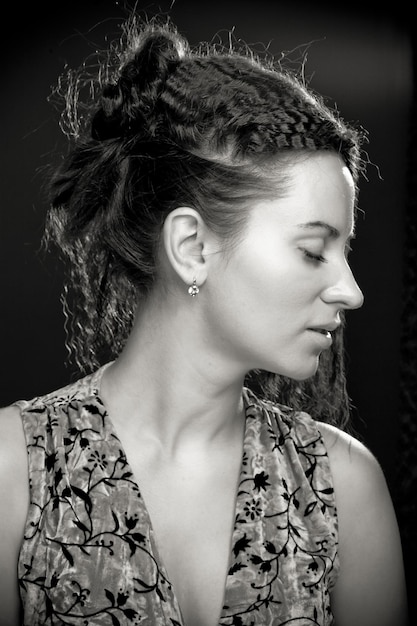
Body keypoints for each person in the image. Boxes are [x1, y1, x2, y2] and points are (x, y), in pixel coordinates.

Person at [0, 13, 408, 626]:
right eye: (312, 250)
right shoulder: (14, 470)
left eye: (344, 251)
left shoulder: (345, 487)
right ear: (191, 247)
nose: (350, 290)